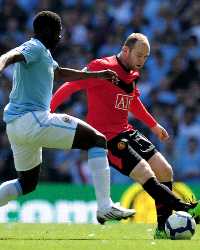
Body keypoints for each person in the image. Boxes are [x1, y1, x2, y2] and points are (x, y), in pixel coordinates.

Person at [51, 33, 200, 239]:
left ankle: (162, 228)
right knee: (146, 173)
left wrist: (154, 125)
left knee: (165, 170)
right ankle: (184, 207)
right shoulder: (100, 67)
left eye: (146, 57)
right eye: (139, 55)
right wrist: (47, 110)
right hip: (106, 139)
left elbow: (132, 101)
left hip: (127, 131)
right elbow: (70, 86)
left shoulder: (131, 74)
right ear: (126, 50)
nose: (142, 61)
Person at [0, 10, 135, 225]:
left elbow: (60, 73)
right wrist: (2, 61)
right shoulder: (34, 47)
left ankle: (104, 206)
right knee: (97, 140)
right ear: (47, 31)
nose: (60, 37)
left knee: (26, 183)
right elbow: (13, 54)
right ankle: (104, 207)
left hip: (16, 127)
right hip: (32, 120)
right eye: (58, 31)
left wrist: (97, 76)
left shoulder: (43, 54)